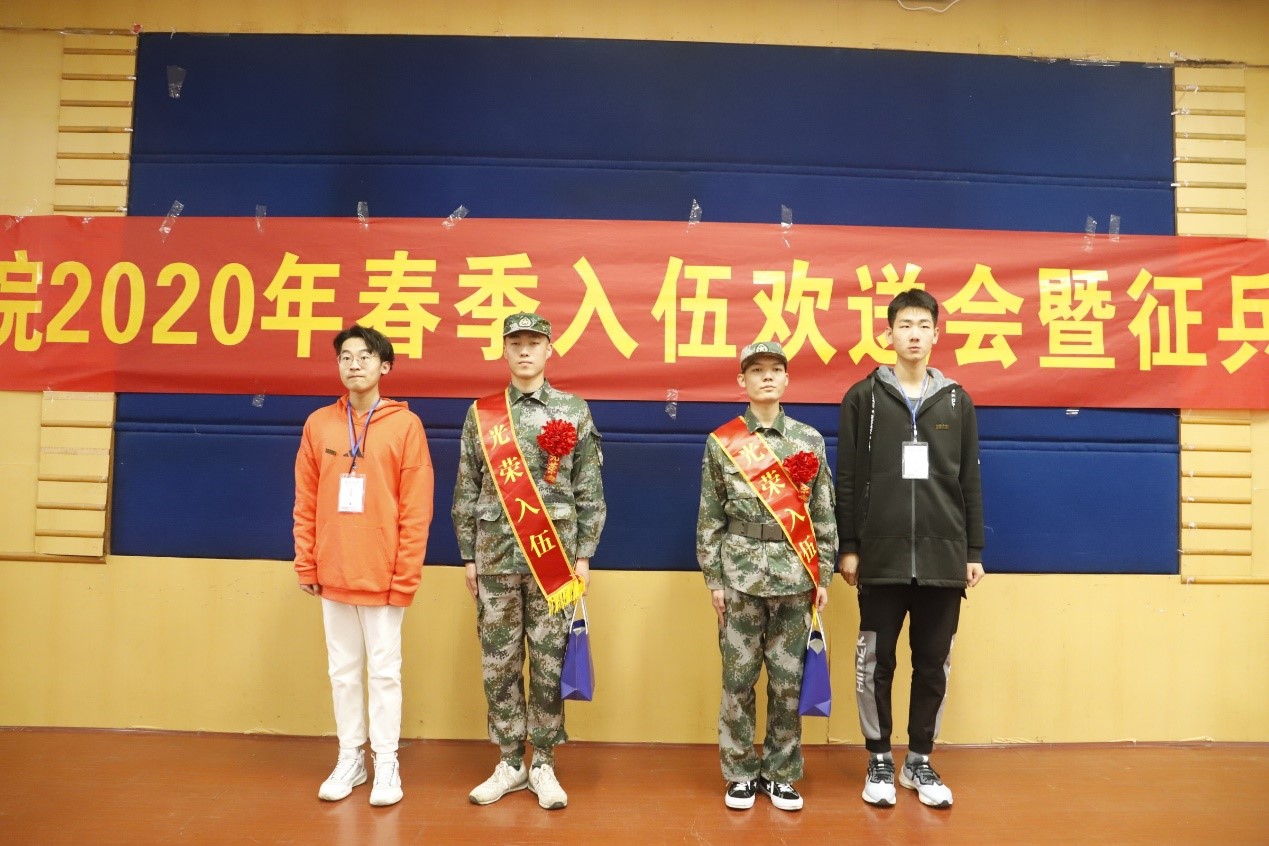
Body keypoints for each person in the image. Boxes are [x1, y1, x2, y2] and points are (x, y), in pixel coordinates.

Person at [835, 288, 985, 809]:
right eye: (905, 326)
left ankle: (919, 760)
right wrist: (849, 546)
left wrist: (973, 550)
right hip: (881, 556)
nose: (914, 334)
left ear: (936, 334)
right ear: (889, 334)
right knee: (875, 662)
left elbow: (970, 481)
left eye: (923, 325)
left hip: (944, 557)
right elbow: (847, 478)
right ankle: (879, 757)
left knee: (933, 664)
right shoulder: (863, 398)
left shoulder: (957, 401)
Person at [452, 311, 606, 811]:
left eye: (533, 342)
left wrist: (584, 555)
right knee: (498, 664)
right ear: (503, 349)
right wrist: (468, 556)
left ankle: (543, 762)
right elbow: (466, 488)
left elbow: (589, 490)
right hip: (495, 558)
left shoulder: (573, 410)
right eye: (515, 342)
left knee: (547, 662)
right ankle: (508, 760)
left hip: (554, 561)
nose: (524, 350)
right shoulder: (482, 415)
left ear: (548, 349)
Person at [293, 324, 434, 807]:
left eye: (366, 356)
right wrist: (306, 562)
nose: (354, 364)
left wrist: (406, 576)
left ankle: (386, 762)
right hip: (333, 572)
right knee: (343, 671)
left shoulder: (405, 426)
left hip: (384, 575)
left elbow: (417, 508)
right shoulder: (318, 424)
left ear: (384, 366)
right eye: (346, 357)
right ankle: (350, 757)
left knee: (385, 673)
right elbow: (305, 500)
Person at [696, 340, 837, 812]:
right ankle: (739, 772)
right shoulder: (722, 442)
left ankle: (780, 773)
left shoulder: (808, 440)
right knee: (737, 679)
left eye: (776, 369)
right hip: (739, 576)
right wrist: (714, 579)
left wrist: (823, 574)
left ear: (787, 379)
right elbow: (710, 516)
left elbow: (823, 513)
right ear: (743, 381)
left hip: (795, 575)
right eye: (757, 370)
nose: (767, 377)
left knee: (787, 681)